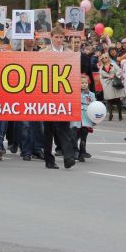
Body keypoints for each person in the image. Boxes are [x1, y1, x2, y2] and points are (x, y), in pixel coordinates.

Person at [41, 26, 76, 169]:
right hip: (47, 94)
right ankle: (49, 159)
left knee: (64, 126)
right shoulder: (43, 53)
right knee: (48, 129)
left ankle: (68, 157)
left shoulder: (70, 53)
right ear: (51, 37)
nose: (59, 40)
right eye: (56, 37)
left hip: (63, 94)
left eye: (61, 37)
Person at [98, 52, 125, 121]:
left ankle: (120, 114)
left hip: (115, 83)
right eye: (103, 58)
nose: (104, 59)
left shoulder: (113, 65)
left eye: (106, 57)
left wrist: (115, 75)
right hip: (107, 84)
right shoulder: (101, 68)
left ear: (108, 58)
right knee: (109, 100)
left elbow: (119, 71)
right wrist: (103, 84)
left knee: (117, 99)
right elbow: (100, 77)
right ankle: (110, 114)